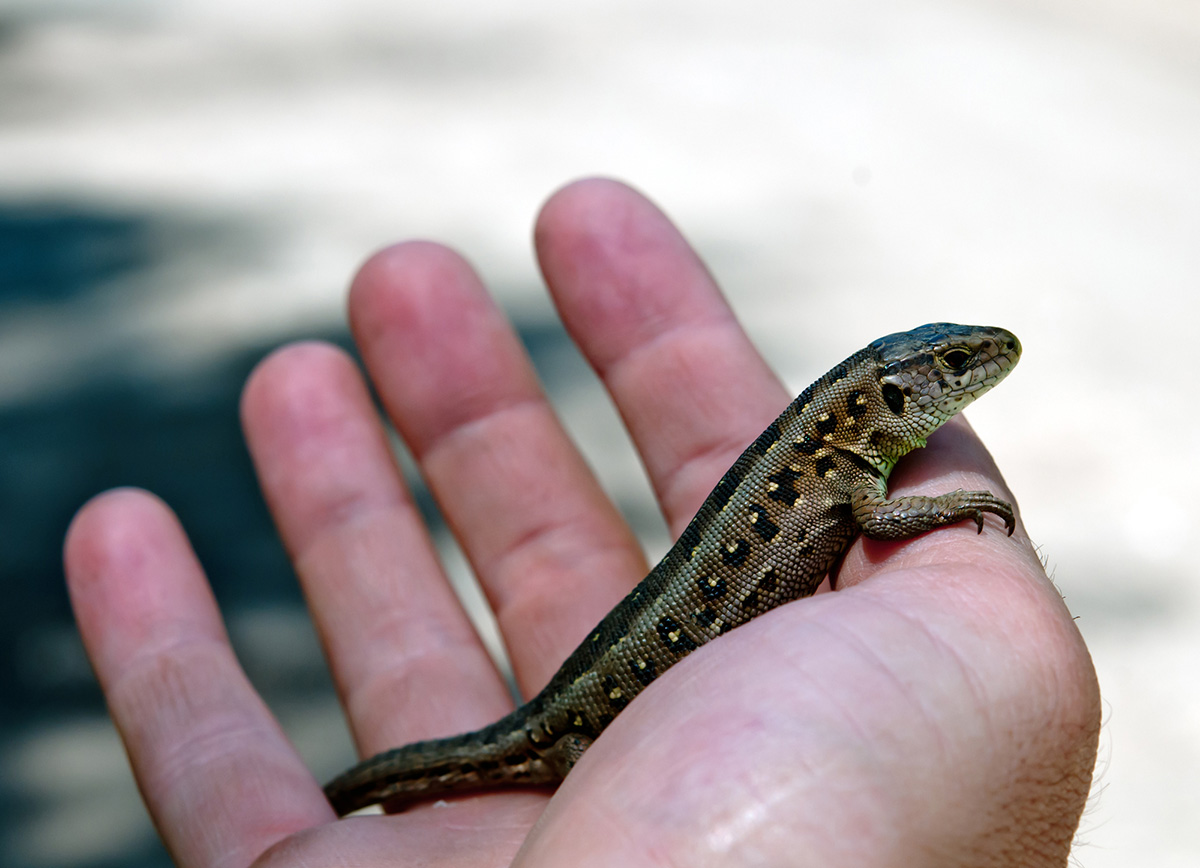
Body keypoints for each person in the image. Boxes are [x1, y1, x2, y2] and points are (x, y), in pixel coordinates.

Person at [63, 178, 1100, 867]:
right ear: (884, 400)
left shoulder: (839, 449)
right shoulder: (855, 471)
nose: (974, 373)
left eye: (961, 361)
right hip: (572, 728)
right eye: (953, 367)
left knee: (464, 754)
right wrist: (960, 500)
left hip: (592, 732)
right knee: (482, 753)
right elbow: (879, 520)